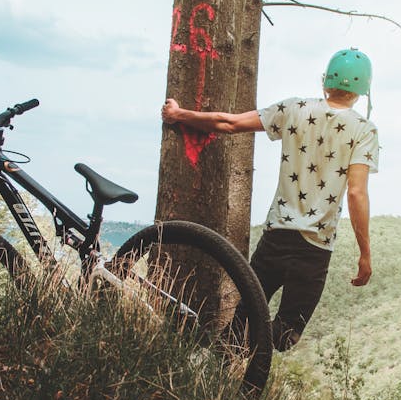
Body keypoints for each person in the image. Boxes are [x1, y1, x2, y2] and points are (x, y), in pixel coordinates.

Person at [160, 48, 379, 351]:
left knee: (242, 326)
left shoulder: (294, 108)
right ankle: (234, 381)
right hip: (314, 248)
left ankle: (210, 370)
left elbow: (230, 123)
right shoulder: (364, 130)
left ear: (325, 81)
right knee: (285, 336)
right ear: (363, 91)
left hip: (276, 235)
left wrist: (179, 115)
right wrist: (365, 254)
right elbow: (356, 192)